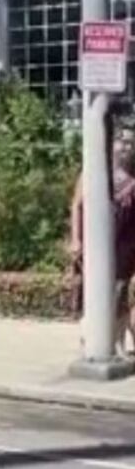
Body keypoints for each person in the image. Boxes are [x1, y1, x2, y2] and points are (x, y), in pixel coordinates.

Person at [70, 128, 135, 353]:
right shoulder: (94, 169)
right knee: (93, 292)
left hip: (125, 246)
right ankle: (91, 339)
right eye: (121, 141)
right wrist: (76, 239)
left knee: (119, 293)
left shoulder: (133, 174)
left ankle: (118, 343)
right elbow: (77, 205)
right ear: (111, 144)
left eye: (130, 143)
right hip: (96, 243)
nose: (126, 147)